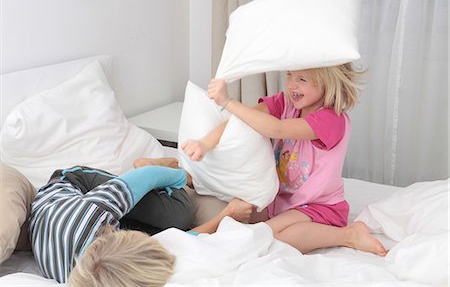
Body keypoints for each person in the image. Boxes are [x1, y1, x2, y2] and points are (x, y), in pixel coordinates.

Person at [180, 63, 388, 257]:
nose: (291, 85)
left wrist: (227, 102)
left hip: (319, 205)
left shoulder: (332, 119)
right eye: (289, 75)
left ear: (328, 82)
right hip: (280, 201)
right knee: (243, 225)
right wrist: (205, 143)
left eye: (302, 80)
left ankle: (350, 235)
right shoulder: (285, 102)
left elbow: (276, 129)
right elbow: (243, 120)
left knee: (270, 239)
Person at [29, 164, 252, 285]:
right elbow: (176, 240)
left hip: (76, 185)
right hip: (70, 227)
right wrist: (227, 214)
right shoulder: (89, 276)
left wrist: (184, 177)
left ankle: (141, 161)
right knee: (175, 229)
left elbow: (150, 174)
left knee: (180, 214)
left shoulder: (97, 209)